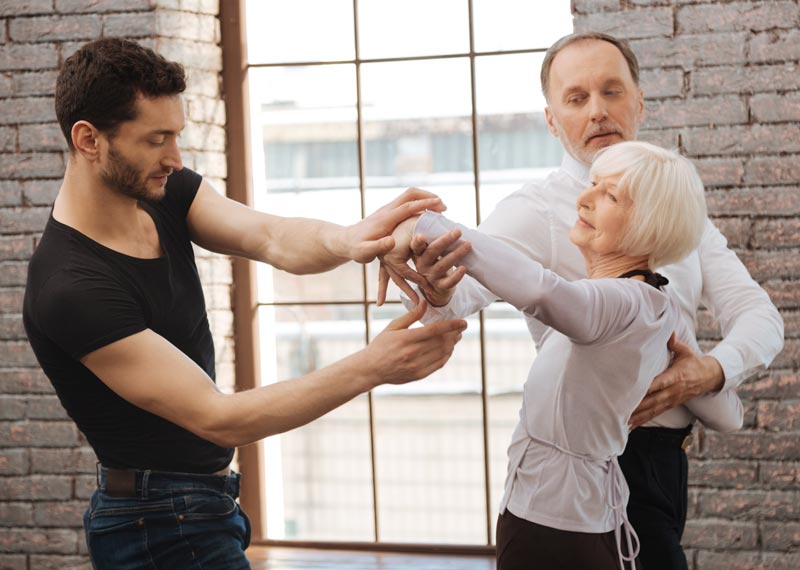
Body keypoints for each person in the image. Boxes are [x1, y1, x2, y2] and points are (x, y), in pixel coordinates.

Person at [22, 38, 467, 570]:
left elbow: (272, 238)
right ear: (89, 139)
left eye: (177, 135)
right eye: (156, 139)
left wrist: (353, 240)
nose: (175, 157)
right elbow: (219, 417)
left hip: (201, 506)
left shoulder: (164, 193)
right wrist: (373, 366)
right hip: (155, 525)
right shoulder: (71, 287)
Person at [379, 32, 784, 570]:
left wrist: (708, 372)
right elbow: (458, 297)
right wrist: (430, 268)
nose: (598, 111)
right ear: (552, 120)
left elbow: (760, 318)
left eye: (612, 91)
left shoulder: (676, 207)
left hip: (668, 461)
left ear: (639, 100)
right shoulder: (535, 210)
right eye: (577, 98)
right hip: (599, 468)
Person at [390, 141, 744, 570]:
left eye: (610, 196)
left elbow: (539, 290)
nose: (585, 198)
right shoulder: (650, 301)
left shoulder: (623, 301)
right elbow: (728, 414)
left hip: (555, 528)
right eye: (593, 184)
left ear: (649, 226)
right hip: (566, 518)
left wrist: (426, 223)